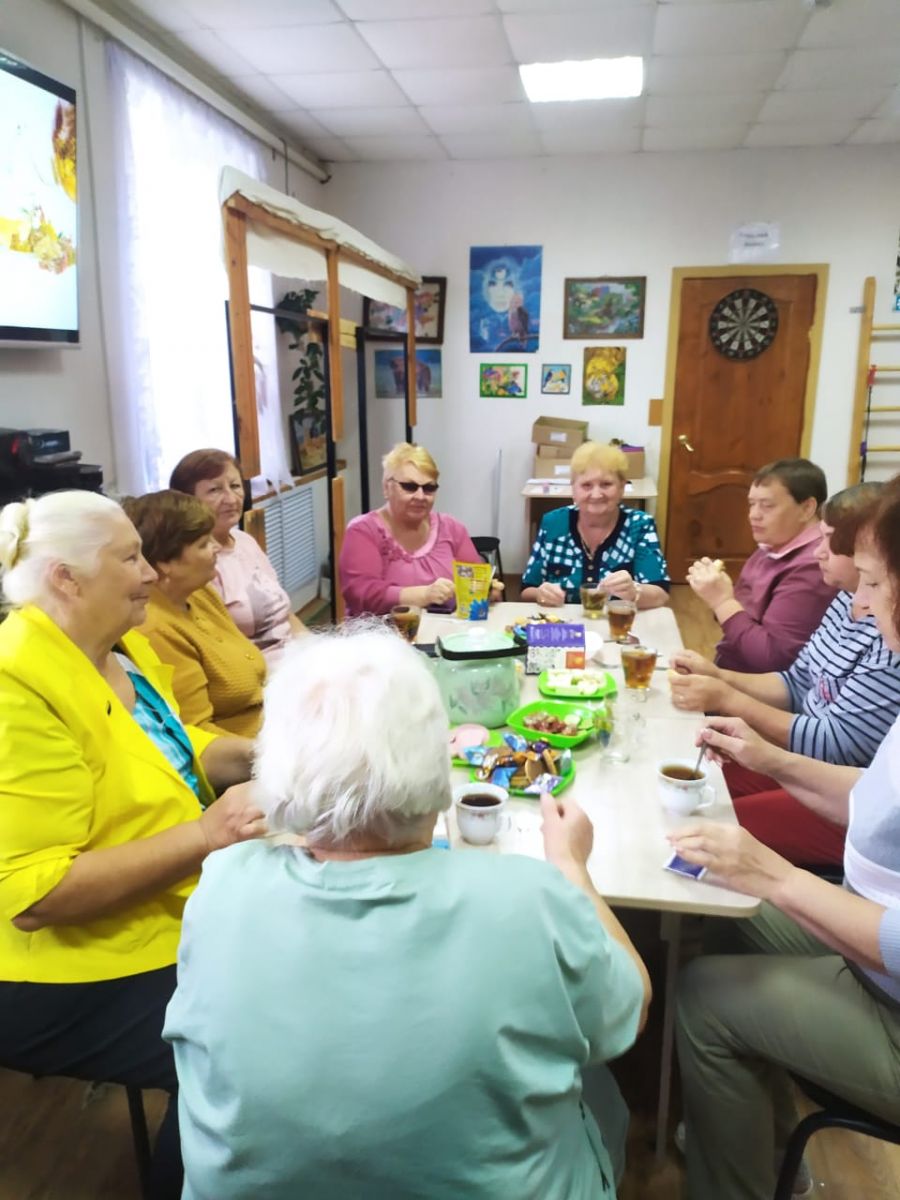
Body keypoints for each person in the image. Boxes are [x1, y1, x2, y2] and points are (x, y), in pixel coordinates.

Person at [164, 622, 651, 1200]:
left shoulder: (222, 885)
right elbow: (632, 1009)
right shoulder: (530, 898)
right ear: (437, 762)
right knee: (599, 1088)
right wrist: (572, 869)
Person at [0, 491, 266, 1200]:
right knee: (239, 1038)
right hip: (57, 972)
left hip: (162, 910)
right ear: (66, 577)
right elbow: (36, 892)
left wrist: (265, 756)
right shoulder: (16, 681)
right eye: (129, 558)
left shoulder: (123, 647)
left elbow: (174, 754)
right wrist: (209, 833)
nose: (150, 573)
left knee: (289, 975)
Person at [670, 475, 900, 1200]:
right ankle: (762, 1145)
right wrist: (766, 757)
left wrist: (776, 876)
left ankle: (742, 1179)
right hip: (868, 955)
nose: (857, 604)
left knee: (704, 996)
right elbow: (870, 797)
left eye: (869, 584)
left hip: (890, 1003)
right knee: (711, 902)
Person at [670, 484, 900, 864]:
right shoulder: (847, 598)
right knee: (689, 781)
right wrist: (719, 677)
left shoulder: (887, 630)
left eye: (830, 541)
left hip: (837, 782)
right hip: (816, 765)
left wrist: (727, 698)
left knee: (713, 822)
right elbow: (797, 682)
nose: (817, 551)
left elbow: (838, 746)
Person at [123, 490, 267, 738]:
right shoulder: (156, 628)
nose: (216, 548)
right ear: (165, 562)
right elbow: (197, 733)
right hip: (244, 757)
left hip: (268, 730)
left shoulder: (200, 594)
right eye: (203, 544)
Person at [687, 458, 836, 673]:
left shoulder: (813, 566)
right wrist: (719, 596)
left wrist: (721, 601)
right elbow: (736, 619)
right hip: (732, 670)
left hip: (760, 690)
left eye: (767, 506)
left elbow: (770, 658)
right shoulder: (773, 545)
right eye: (751, 504)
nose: (753, 515)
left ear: (807, 508)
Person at [169, 448, 306, 664]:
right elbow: (217, 652)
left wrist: (317, 649)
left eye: (235, 486)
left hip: (294, 656)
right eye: (215, 490)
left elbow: (286, 614)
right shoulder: (195, 561)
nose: (231, 499)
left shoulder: (244, 540)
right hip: (258, 671)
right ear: (187, 500)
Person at [339, 442, 504, 617]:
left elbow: (475, 582)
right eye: (409, 487)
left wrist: (487, 591)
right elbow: (362, 594)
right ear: (386, 488)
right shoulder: (363, 531)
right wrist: (424, 594)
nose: (420, 496)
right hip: (382, 639)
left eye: (429, 488)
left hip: (447, 636)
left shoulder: (452, 529)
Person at [521, 441, 670, 608]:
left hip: (619, 626)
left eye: (606, 484)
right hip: (564, 627)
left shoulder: (640, 525)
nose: (596, 494)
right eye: (586, 485)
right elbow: (527, 590)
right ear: (573, 489)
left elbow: (661, 594)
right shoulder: (553, 523)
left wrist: (634, 592)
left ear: (622, 487)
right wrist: (541, 594)